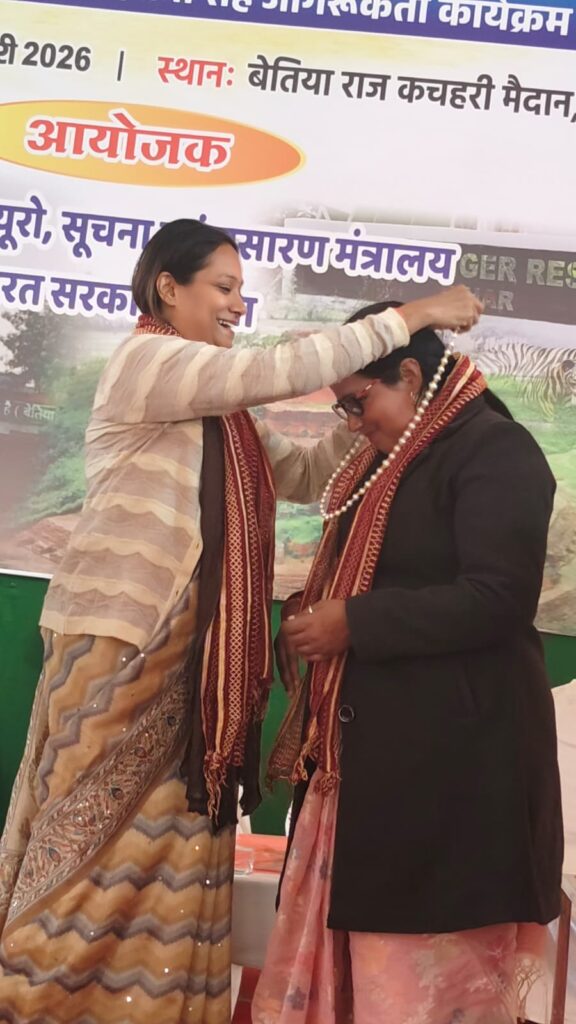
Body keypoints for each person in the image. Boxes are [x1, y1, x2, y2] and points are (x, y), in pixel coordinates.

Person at [0, 222, 481, 1023]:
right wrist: (413, 316)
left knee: (171, 844)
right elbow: (273, 370)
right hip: (125, 642)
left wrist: (366, 420)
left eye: (240, 290)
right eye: (222, 287)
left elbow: (303, 474)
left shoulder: (224, 413)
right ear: (168, 288)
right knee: (89, 846)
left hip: (196, 659)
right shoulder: (149, 363)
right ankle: (36, 1002)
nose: (236, 304)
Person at [254, 302, 564, 1024]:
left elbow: (498, 598)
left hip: (452, 773)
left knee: (419, 992)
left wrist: (354, 622)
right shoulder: (388, 461)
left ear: (412, 376)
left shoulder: (495, 451)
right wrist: (321, 608)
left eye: (357, 402)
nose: (351, 424)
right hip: (374, 768)